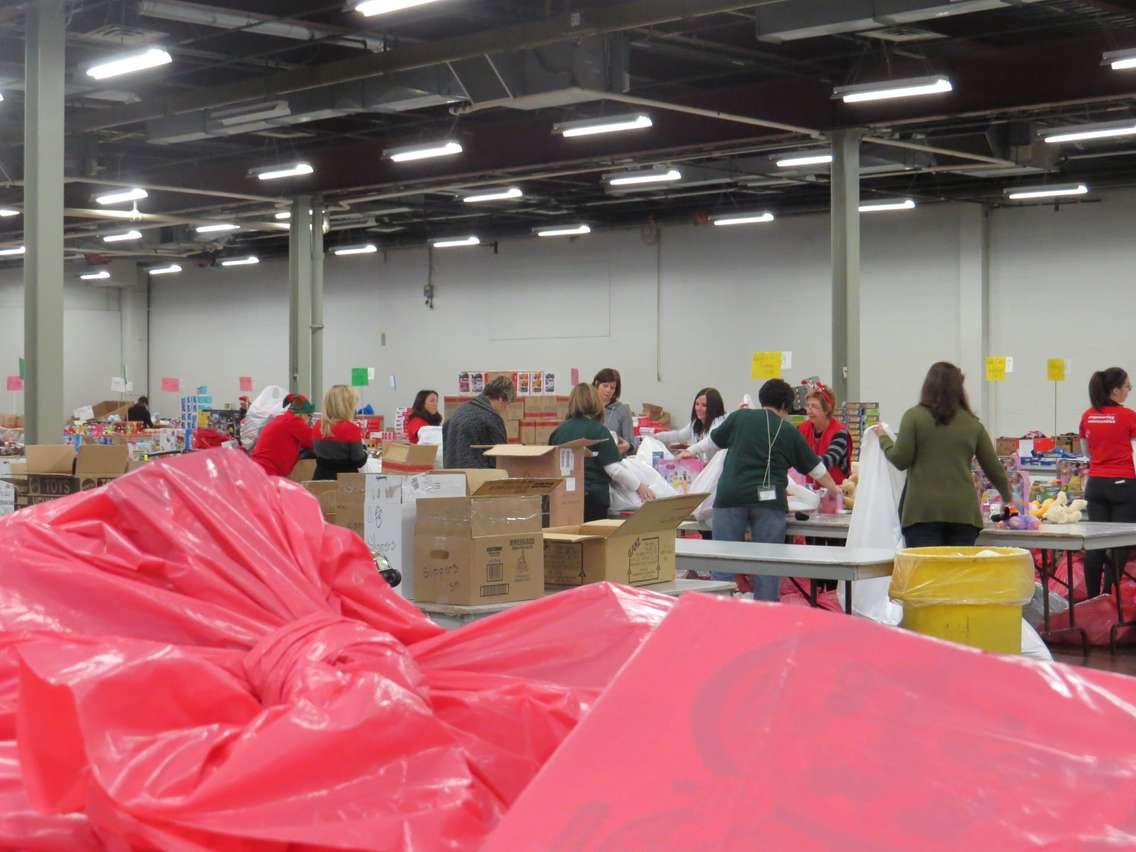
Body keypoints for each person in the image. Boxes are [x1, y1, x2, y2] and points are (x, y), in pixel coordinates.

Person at [698, 379, 838, 601]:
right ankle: (766, 620)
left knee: (722, 563)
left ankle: (719, 618)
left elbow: (709, 444)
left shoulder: (739, 417)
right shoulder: (787, 430)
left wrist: (687, 452)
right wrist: (835, 490)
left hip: (730, 497)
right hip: (769, 504)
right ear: (785, 405)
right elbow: (817, 469)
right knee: (768, 567)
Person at [872, 361, 1010, 548]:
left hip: (921, 513)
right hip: (963, 514)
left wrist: (883, 439)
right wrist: (1008, 499)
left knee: (927, 575)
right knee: (956, 576)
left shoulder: (913, 417)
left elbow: (900, 459)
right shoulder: (972, 424)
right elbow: (994, 469)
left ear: (927, 386)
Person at [550, 384, 654, 521]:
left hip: (562, 496)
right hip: (593, 498)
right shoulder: (599, 431)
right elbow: (614, 469)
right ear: (595, 401)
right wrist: (639, 486)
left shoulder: (558, 432)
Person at [1079, 368, 1136, 598]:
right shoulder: (1129, 416)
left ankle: (1091, 599)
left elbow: (1086, 452)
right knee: (1119, 543)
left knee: (1095, 542)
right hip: (1123, 484)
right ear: (1115, 391)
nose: (1129, 390)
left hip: (1095, 483)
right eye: (1127, 386)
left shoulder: (1088, 415)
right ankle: (1109, 597)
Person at [443, 374, 514, 469]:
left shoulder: (458, 411)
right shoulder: (491, 417)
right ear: (501, 399)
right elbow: (501, 458)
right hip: (478, 478)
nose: (505, 409)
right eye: (507, 404)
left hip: (454, 477)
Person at [797, 384, 852, 486]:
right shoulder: (801, 429)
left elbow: (829, 460)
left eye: (814, 406)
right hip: (808, 490)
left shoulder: (839, 432)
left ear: (827, 409)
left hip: (835, 490)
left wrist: (801, 461)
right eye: (808, 406)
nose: (809, 411)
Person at [251, 395, 315, 477]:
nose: (309, 420)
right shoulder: (293, 421)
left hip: (260, 470)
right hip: (268, 472)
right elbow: (314, 441)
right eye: (310, 416)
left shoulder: (283, 419)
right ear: (302, 414)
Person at [313, 385, 367, 481]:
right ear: (347, 406)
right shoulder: (351, 429)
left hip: (320, 479)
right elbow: (358, 461)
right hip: (345, 483)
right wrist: (364, 449)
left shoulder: (318, 426)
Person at [658, 387, 727, 462]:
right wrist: (657, 436)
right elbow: (679, 436)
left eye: (704, 405)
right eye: (697, 404)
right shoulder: (696, 423)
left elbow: (711, 440)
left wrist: (690, 451)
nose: (698, 408)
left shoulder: (720, 422)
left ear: (714, 407)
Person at [593, 368, 637, 453]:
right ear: (596, 384)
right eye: (605, 386)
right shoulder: (587, 407)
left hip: (613, 458)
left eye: (612, 387)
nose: (608, 390)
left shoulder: (622, 410)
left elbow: (632, 444)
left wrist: (628, 447)